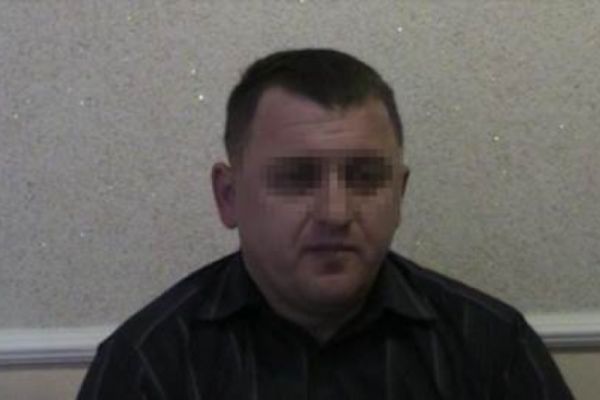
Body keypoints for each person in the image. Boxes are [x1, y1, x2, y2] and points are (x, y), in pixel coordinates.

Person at [77, 48, 573, 399]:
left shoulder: (491, 348)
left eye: (365, 177)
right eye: (296, 178)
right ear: (229, 197)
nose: (335, 212)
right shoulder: (148, 365)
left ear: (399, 195)